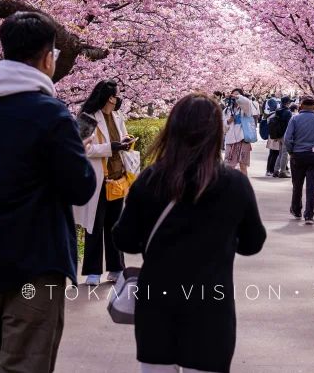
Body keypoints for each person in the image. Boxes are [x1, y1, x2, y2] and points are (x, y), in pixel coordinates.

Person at [0, 11, 96, 373]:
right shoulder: (50, 114)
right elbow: (80, 186)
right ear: (48, 57)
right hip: (35, 258)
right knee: (27, 356)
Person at [113, 93, 267, 373]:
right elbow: (252, 243)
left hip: (157, 302)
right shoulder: (233, 184)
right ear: (216, 133)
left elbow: (124, 239)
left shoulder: (150, 179)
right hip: (211, 303)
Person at [74, 80, 137, 286]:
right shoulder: (87, 118)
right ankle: (93, 271)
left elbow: (121, 138)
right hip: (97, 180)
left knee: (114, 225)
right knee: (95, 225)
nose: (118, 97)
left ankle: (116, 268)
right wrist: (111, 147)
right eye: (116, 94)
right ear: (110, 97)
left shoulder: (118, 117)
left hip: (117, 178)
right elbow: (80, 148)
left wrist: (126, 141)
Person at [282, 96, 314, 224]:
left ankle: (296, 210)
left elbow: (287, 139)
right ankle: (309, 215)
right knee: (312, 186)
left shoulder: (295, 119)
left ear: (301, 106)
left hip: (298, 155)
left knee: (297, 185)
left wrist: (291, 151)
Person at [222, 89, 253, 175]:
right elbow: (223, 126)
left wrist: (238, 96)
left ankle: (244, 186)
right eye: (233, 95)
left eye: (237, 95)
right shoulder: (227, 110)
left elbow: (246, 102)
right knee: (228, 166)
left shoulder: (246, 108)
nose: (234, 97)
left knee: (243, 165)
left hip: (243, 140)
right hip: (230, 140)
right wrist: (228, 121)